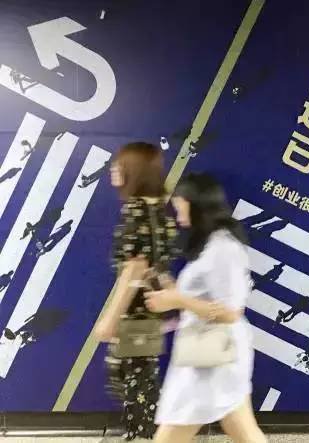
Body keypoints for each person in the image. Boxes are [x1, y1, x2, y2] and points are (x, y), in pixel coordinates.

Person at [144, 173, 266, 443]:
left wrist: (177, 300)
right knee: (243, 430)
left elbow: (231, 312)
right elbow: (202, 298)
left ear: (197, 205)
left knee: (171, 434)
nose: (178, 216)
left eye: (180, 208)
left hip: (213, 356)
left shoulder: (223, 248)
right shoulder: (212, 245)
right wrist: (169, 288)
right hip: (210, 353)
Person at [94, 142, 178, 441]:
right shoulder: (160, 211)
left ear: (135, 170)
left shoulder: (136, 210)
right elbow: (158, 267)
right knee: (139, 383)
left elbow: (134, 269)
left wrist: (110, 319)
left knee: (135, 387)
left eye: (119, 164)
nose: (113, 169)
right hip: (151, 312)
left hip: (134, 315)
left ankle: (149, 435)